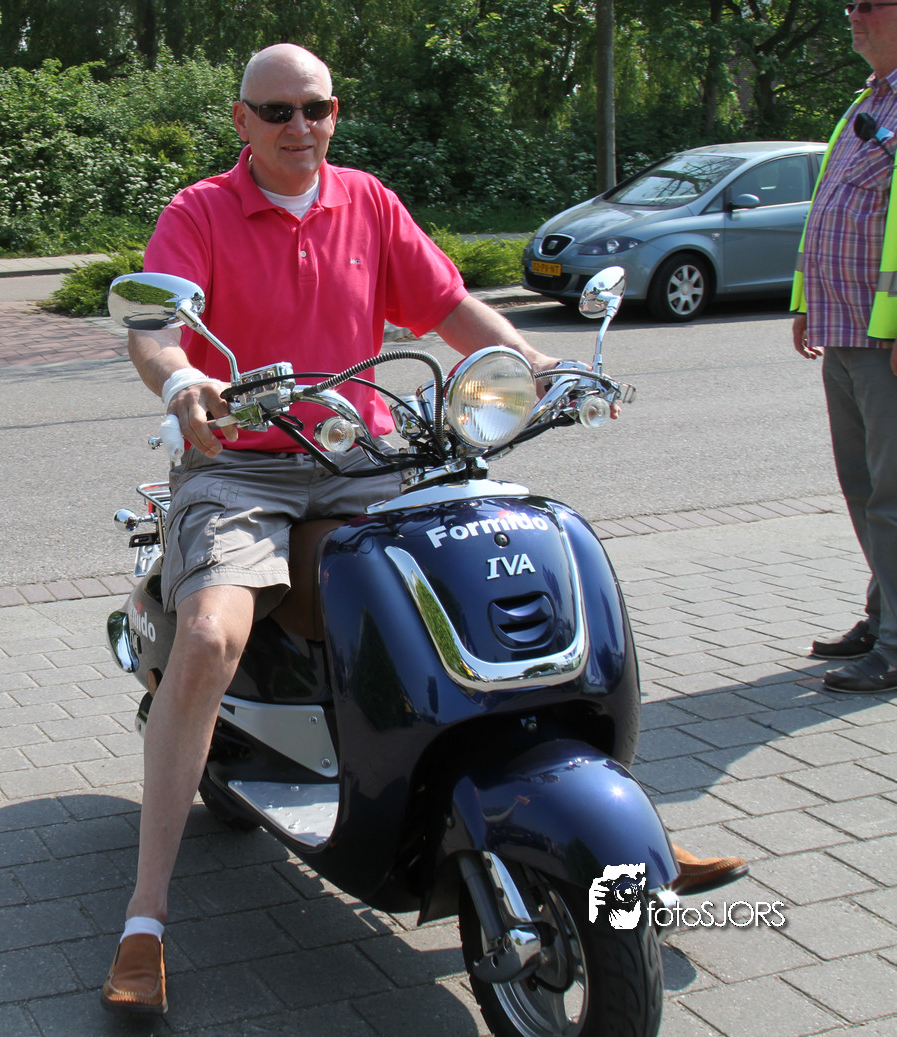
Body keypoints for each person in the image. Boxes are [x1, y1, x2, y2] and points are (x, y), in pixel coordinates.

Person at [102, 43, 743, 1018]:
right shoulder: (198, 211)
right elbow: (153, 331)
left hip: (365, 451)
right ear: (241, 121)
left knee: (495, 565)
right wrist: (184, 377)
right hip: (241, 464)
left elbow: (448, 306)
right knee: (209, 636)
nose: (299, 126)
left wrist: (536, 362)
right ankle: (146, 916)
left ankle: (598, 827)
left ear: (333, 112)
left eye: (315, 107)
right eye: (275, 111)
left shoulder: (366, 200)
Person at [792, 0, 897, 695]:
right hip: (843, 328)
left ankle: (896, 645)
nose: (853, 14)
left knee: (893, 497)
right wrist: (805, 301)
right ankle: (883, 615)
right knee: (863, 489)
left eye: (869, 3)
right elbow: (829, 211)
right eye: (850, 4)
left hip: (884, 338)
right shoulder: (866, 103)